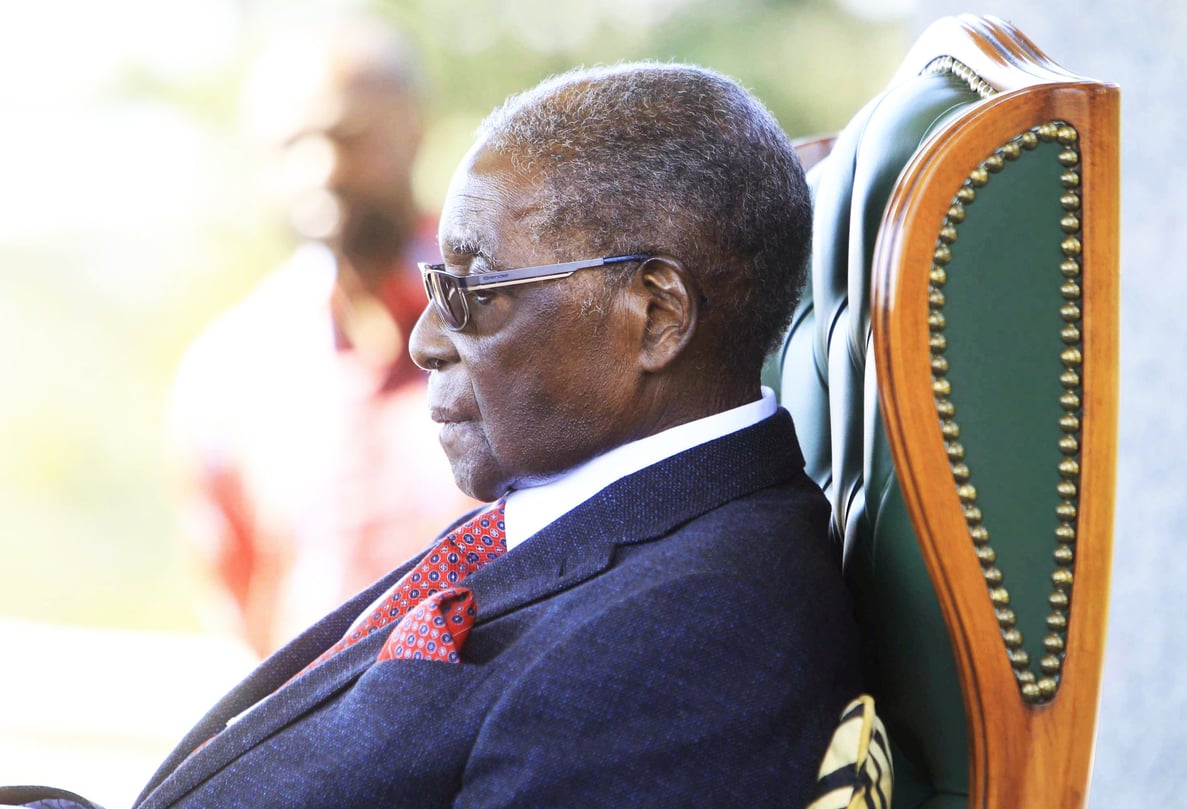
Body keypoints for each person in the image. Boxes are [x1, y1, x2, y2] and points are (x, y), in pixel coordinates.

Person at [5, 62, 862, 808]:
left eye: (476, 292)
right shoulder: (583, 509)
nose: (422, 341)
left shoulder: (687, 639)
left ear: (654, 315)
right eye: (436, 284)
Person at [165, 16, 478, 656]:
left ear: (411, 129)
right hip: (315, 736)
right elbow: (239, 606)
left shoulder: (502, 319)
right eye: (291, 144)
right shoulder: (229, 370)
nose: (321, 168)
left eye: (347, 136)